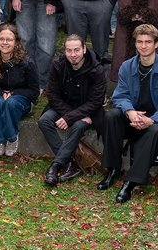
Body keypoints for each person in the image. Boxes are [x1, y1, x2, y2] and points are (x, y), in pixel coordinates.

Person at [98, 23, 158, 203]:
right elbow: (120, 95)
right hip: (135, 118)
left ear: (156, 44)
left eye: (148, 42)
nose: (143, 46)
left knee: (154, 131)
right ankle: (113, 169)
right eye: (140, 42)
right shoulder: (127, 67)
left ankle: (131, 181)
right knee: (111, 116)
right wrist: (130, 112)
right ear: (135, 43)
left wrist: (151, 120)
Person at [38, 36, 107, 185]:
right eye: (69, 50)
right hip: (63, 107)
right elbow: (52, 95)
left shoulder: (97, 70)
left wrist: (72, 117)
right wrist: (70, 115)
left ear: (84, 49)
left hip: (89, 111)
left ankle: (56, 165)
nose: (73, 54)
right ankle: (69, 162)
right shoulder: (58, 65)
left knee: (78, 126)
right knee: (44, 120)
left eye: (76, 50)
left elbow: (96, 101)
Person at [0, 23, 38, 157]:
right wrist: (1, 93)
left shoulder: (27, 62)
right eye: (1, 39)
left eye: (9, 39)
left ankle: (12, 137)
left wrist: (13, 94)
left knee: (10, 104)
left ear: (16, 42)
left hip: (20, 98)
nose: (5, 42)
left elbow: (34, 91)